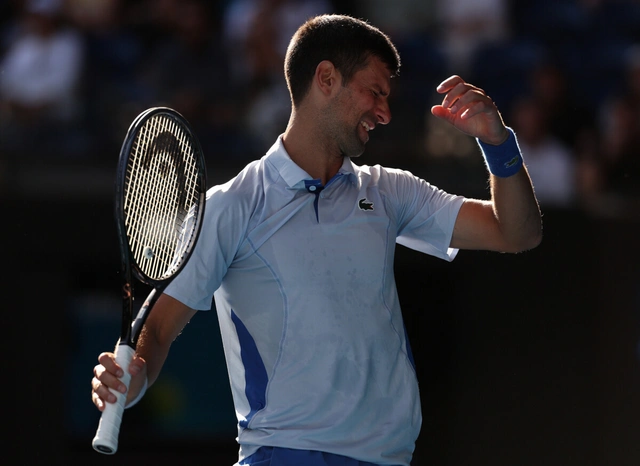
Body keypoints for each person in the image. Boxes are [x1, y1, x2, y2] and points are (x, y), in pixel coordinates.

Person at [91, 14, 542, 466]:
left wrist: (499, 145)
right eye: (375, 92)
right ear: (326, 78)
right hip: (287, 456)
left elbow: (517, 232)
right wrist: (130, 380)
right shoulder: (233, 205)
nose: (384, 113)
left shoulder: (390, 191)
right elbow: (158, 331)